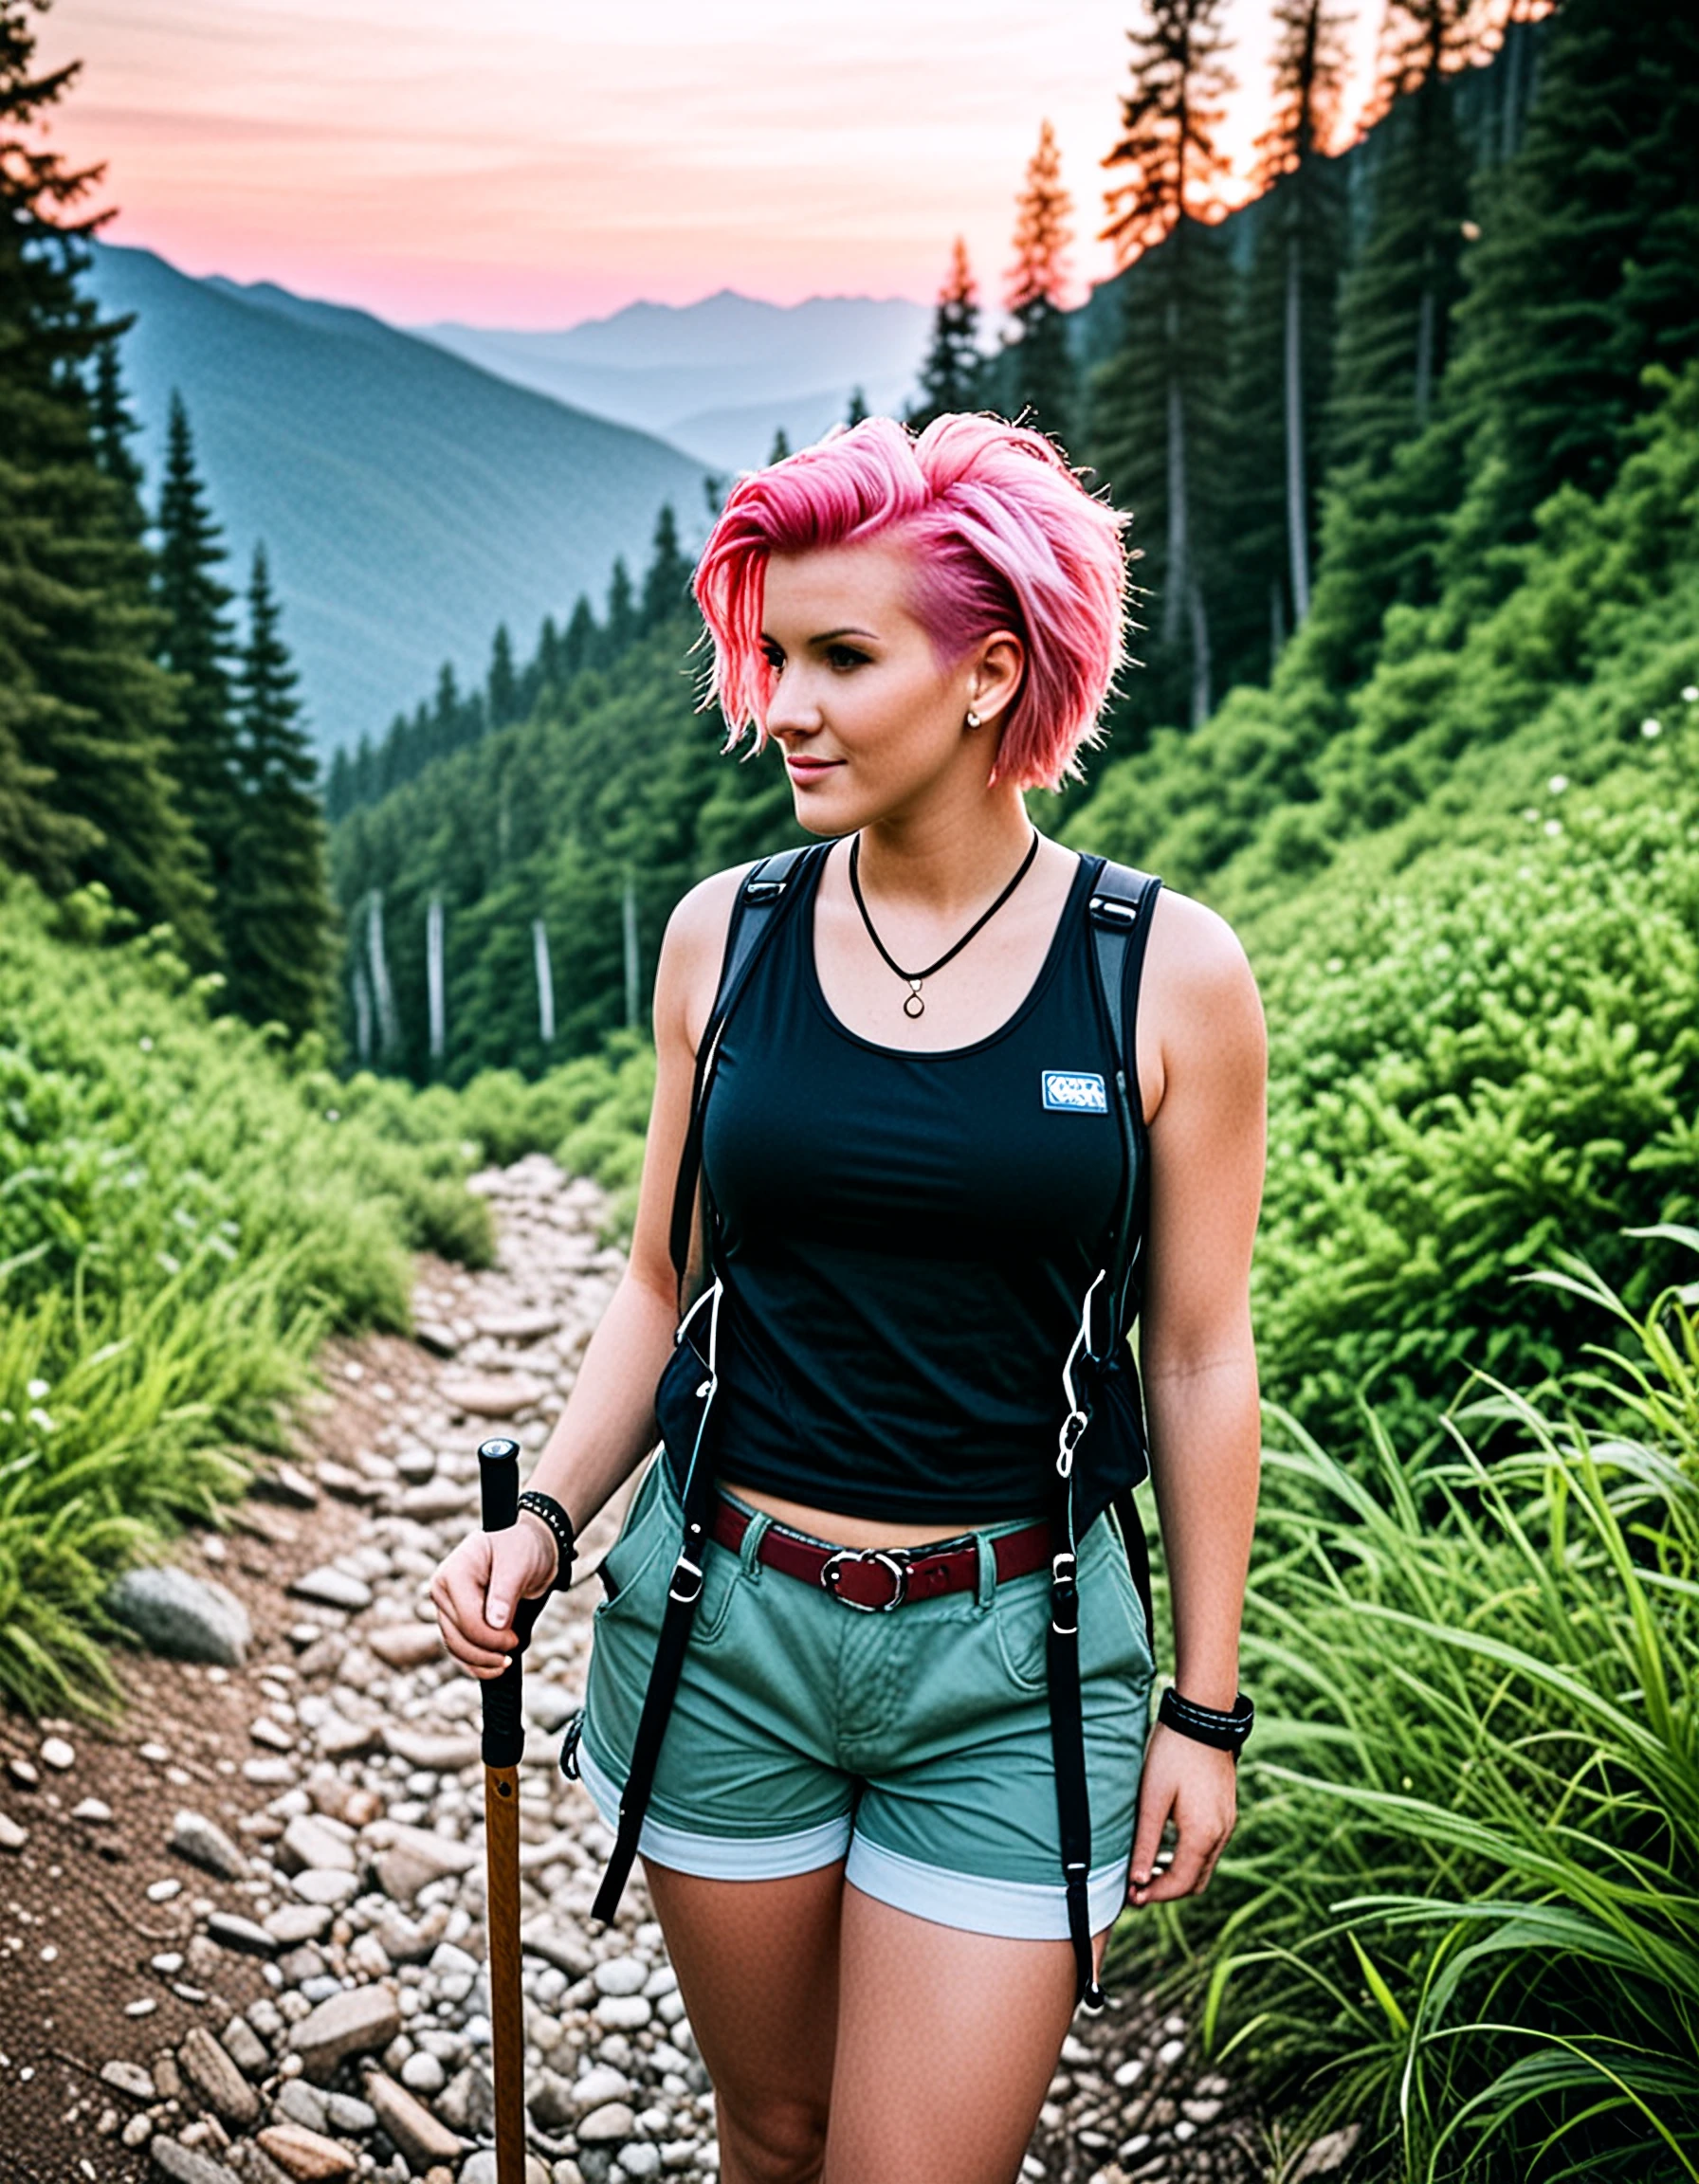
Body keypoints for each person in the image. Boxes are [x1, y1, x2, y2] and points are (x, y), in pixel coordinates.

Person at [431, 411, 1265, 2184]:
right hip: (721, 1627)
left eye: (839, 658)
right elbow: (660, 1283)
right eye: (772, 655)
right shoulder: (723, 938)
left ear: (990, 676)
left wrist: (1203, 1710)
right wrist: (550, 1524)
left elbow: (1197, 1358)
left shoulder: (1164, 973)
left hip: (1018, 1657)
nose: (780, 707)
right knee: (775, 2131)